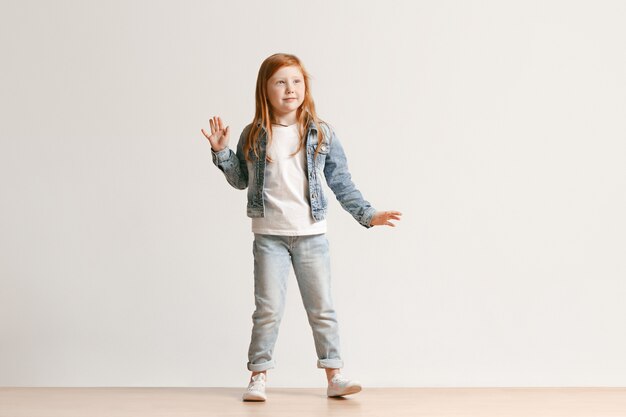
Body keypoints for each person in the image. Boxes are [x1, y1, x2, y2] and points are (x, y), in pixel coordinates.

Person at [201, 53, 402, 401]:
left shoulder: (319, 132)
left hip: (311, 237)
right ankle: (258, 377)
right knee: (267, 309)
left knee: (321, 308)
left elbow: (341, 182)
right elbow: (241, 180)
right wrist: (222, 154)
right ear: (265, 89)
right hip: (269, 237)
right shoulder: (255, 133)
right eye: (280, 82)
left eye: (296, 81)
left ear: (305, 86)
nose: (289, 88)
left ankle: (335, 375)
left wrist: (369, 215)